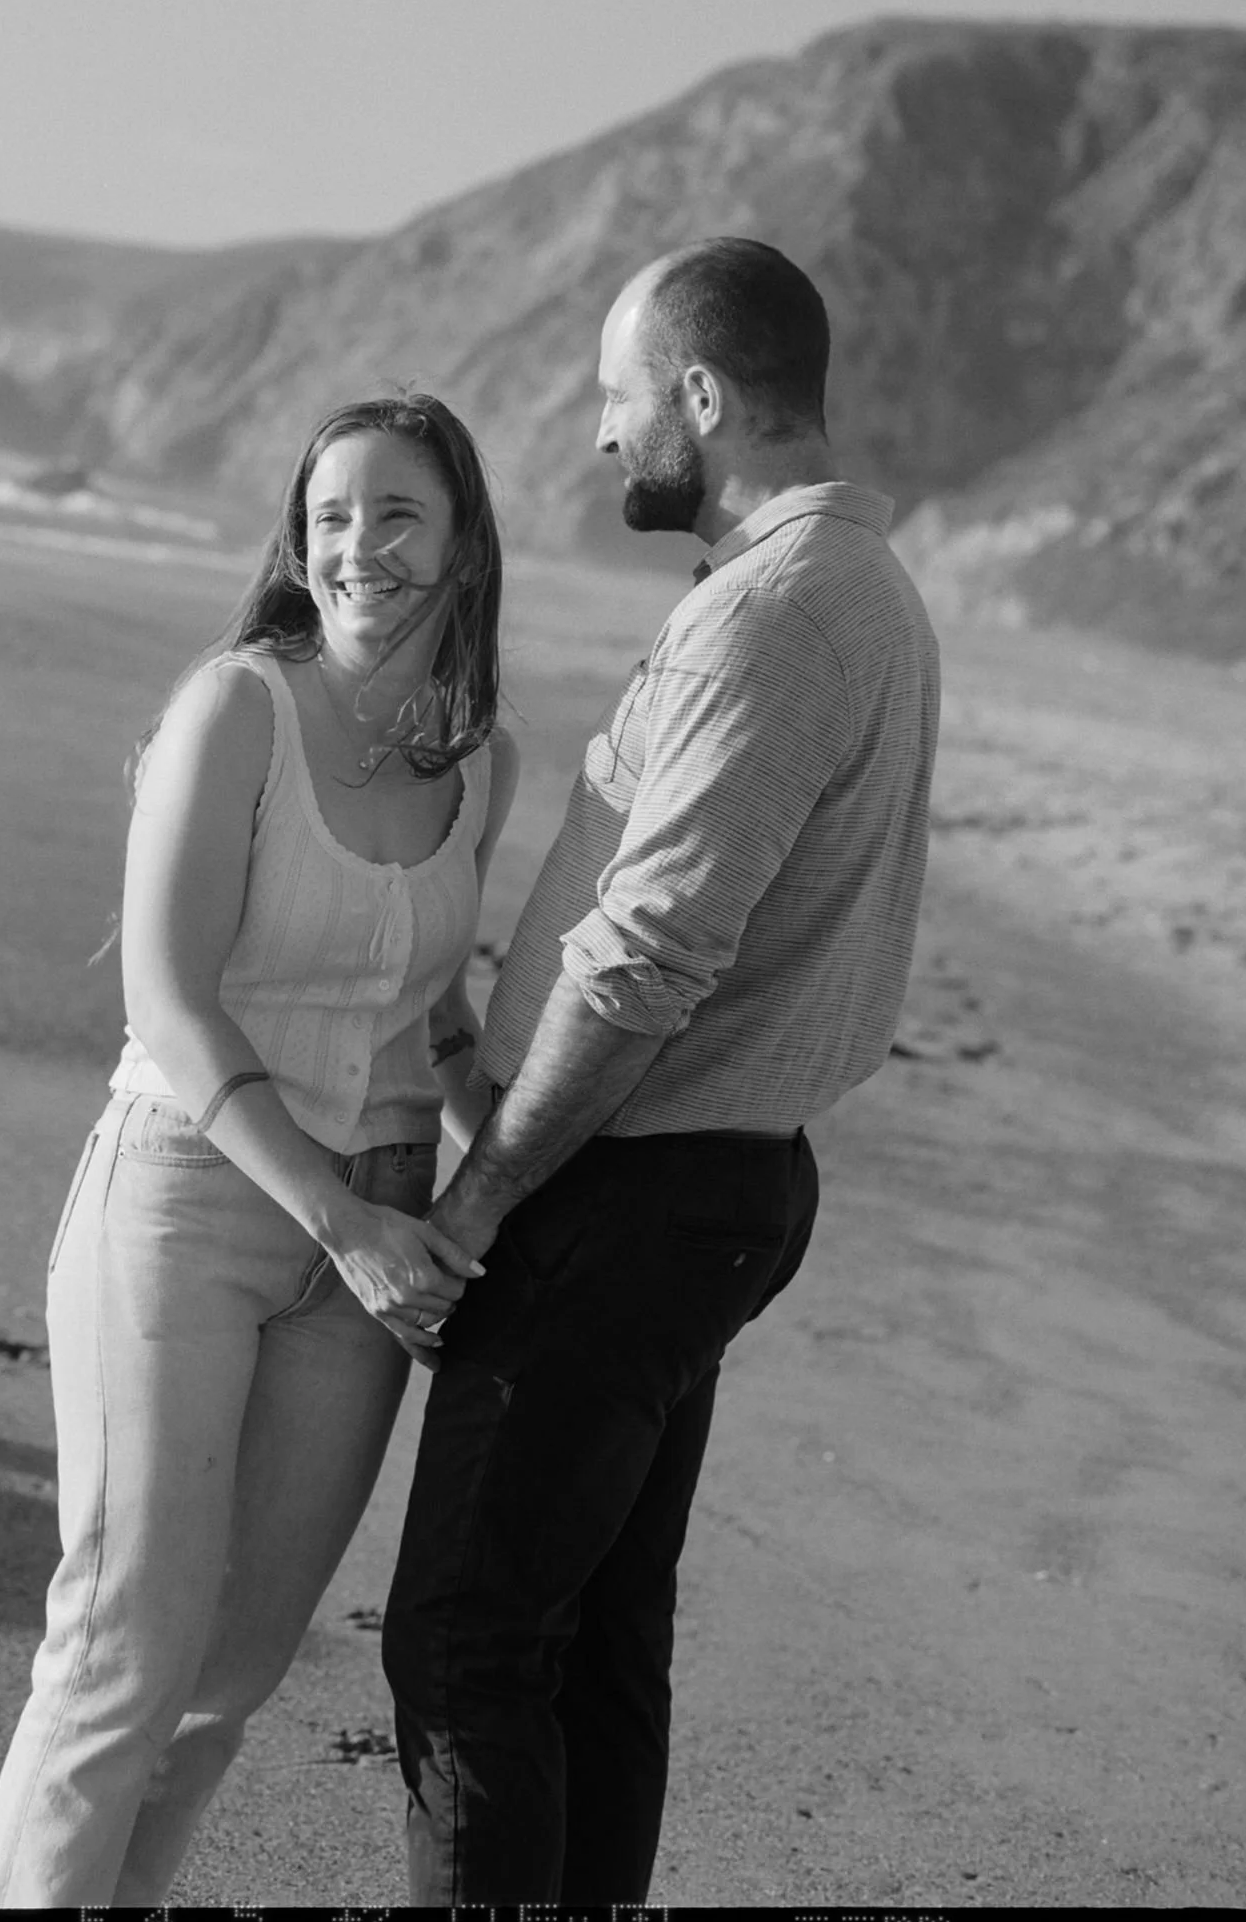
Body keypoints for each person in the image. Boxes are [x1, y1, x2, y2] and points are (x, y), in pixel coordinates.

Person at [381, 239, 942, 1906]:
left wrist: (482, 1196)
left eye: (622, 400)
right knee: (592, 1642)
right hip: (714, 1185)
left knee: (468, 1647)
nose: (603, 439)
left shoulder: (771, 616)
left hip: (634, 1197)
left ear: (703, 394)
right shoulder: (854, 589)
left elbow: (650, 957)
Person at [0, 391, 519, 1910]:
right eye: (331, 517)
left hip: (378, 1241)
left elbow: (439, 1013)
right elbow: (169, 997)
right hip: (190, 1201)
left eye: (399, 514)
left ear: (464, 545)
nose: (360, 548)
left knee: (232, 1674)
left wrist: (525, 1168)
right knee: (123, 1645)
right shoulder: (237, 706)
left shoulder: (483, 766)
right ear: (298, 542)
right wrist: (339, 1216)